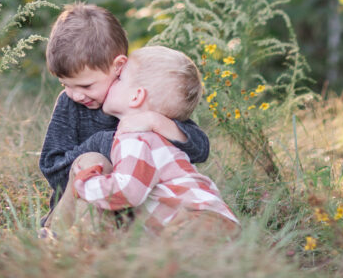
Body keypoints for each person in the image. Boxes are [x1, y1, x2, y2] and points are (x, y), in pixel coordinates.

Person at [39, 3, 210, 221]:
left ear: (118, 66)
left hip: (140, 218)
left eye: (86, 86)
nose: (76, 95)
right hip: (77, 211)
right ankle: (67, 239)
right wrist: (106, 142)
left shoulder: (143, 100)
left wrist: (155, 122)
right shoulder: (70, 105)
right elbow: (53, 170)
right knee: (93, 160)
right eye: (65, 85)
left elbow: (200, 149)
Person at [55, 44, 239, 237]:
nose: (113, 82)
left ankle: (67, 245)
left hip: (196, 219)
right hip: (209, 217)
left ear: (136, 96)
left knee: (170, 255)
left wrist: (86, 183)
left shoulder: (137, 137)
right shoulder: (156, 135)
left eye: (119, 79)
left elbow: (128, 191)